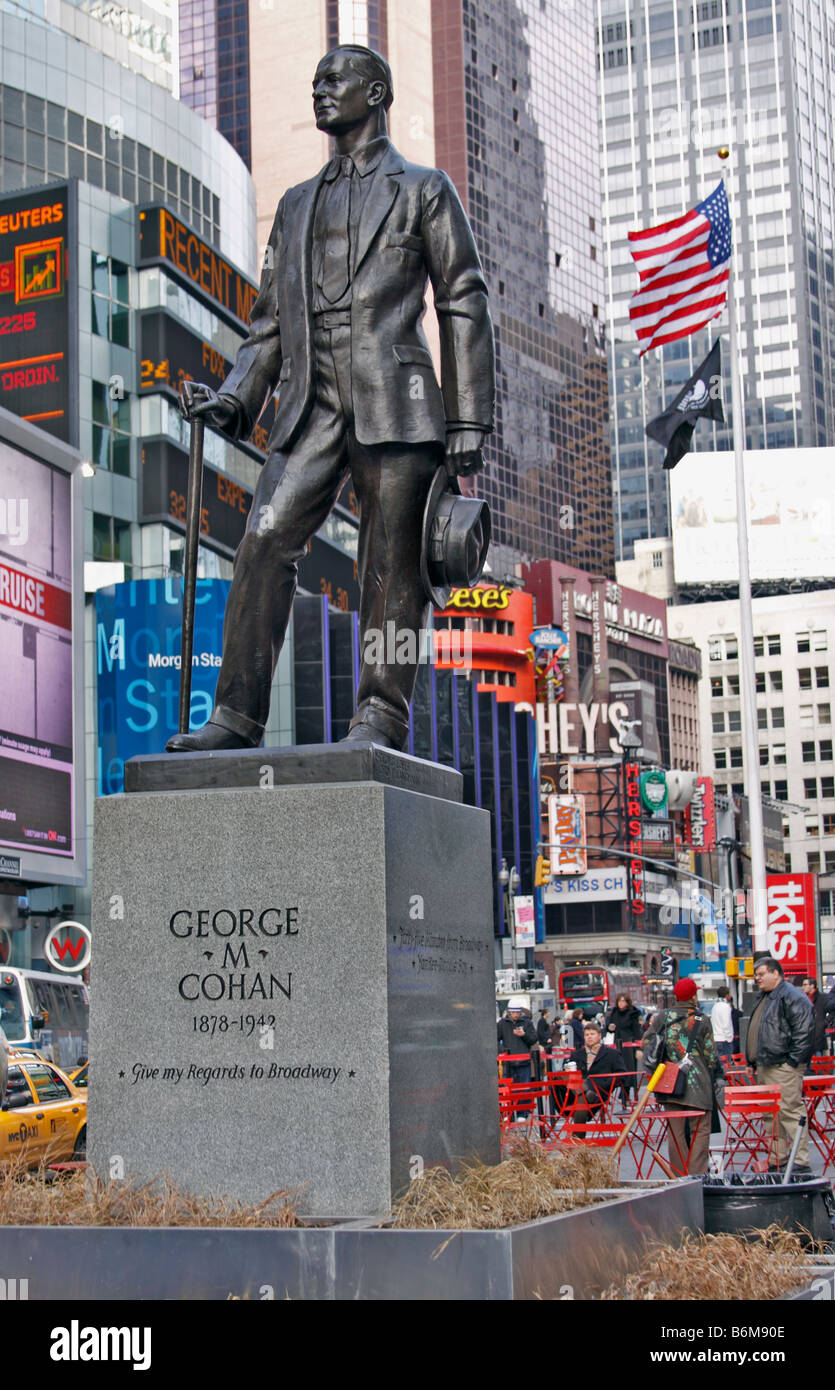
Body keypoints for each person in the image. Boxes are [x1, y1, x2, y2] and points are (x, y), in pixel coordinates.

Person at [166, 43, 494, 756]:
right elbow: (269, 324)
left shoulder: (423, 189)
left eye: (334, 80)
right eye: (313, 82)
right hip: (311, 400)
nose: (320, 92)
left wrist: (467, 420)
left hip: (398, 399)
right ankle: (235, 717)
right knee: (261, 540)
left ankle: (380, 714)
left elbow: (463, 297)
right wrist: (232, 400)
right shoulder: (295, 204)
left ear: (376, 92)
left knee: (390, 566)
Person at [643, 978, 721, 1176]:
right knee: (700, 1131)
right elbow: (711, 1057)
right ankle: (697, 1176)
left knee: (675, 1133)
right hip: (698, 1085)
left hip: (669, 1082)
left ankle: (679, 1176)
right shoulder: (702, 1019)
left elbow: (647, 1042)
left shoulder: (663, 1017)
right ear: (693, 996)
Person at [746, 957, 814, 1170]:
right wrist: (753, 1060)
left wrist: (793, 1061)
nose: (757, 978)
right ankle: (779, 1158)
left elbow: (804, 1031)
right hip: (768, 1063)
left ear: (776, 973)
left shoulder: (791, 996)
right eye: (756, 975)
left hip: (782, 1064)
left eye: (761, 974)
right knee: (772, 1115)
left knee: (789, 1110)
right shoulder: (767, 996)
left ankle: (799, 1160)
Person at [568, 1021, 627, 1122]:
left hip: (599, 1090)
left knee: (581, 1098)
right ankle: (584, 1091)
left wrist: (607, 1084)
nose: (589, 1037)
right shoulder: (576, 1055)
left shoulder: (612, 1054)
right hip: (575, 1091)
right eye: (586, 1035)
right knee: (559, 1077)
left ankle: (578, 1137)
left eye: (592, 1034)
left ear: (599, 1036)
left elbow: (622, 1075)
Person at [497, 998, 537, 1084]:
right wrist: (503, 1050)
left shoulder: (527, 1023)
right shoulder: (502, 1023)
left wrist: (524, 1035)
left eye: (517, 1012)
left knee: (525, 1091)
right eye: (513, 1012)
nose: (515, 1015)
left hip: (524, 1063)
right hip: (509, 1064)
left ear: (520, 1012)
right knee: (510, 1091)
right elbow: (495, 1040)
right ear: (509, 1012)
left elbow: (534, 1040)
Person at [801, 978, 827, 1059]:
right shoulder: (802, 999)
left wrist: (824, 1023)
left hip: (818, 1034)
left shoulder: (823, 998)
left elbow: (832, 1011)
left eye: (805, 985)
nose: (803, 987)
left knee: (819, 1061)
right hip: (805, 1036)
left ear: (812, 986)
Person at [711, 985, 735, 1068]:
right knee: (727, 1065)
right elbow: (726, 1024)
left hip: (716, 1038)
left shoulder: (715, 1006)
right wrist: (729, 1038)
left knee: (719, 1065)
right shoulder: (726, 1006)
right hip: (724, 1039)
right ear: (727, 995)